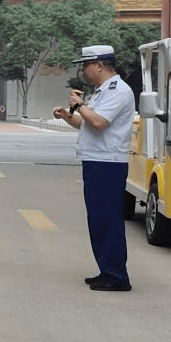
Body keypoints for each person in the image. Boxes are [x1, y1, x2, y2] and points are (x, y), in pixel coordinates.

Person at [53, 44, 137, 292]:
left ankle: (117, 276)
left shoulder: (118, 90)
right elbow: (86, 124)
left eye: (86, 65)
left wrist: (79, 105)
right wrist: (67, 115)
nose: (84, 70)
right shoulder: (102, 92)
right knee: (98, 220)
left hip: (108, 163)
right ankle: (106, 270)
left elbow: (99, 122)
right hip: (97, 160)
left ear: (99, 64)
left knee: (108, 220)